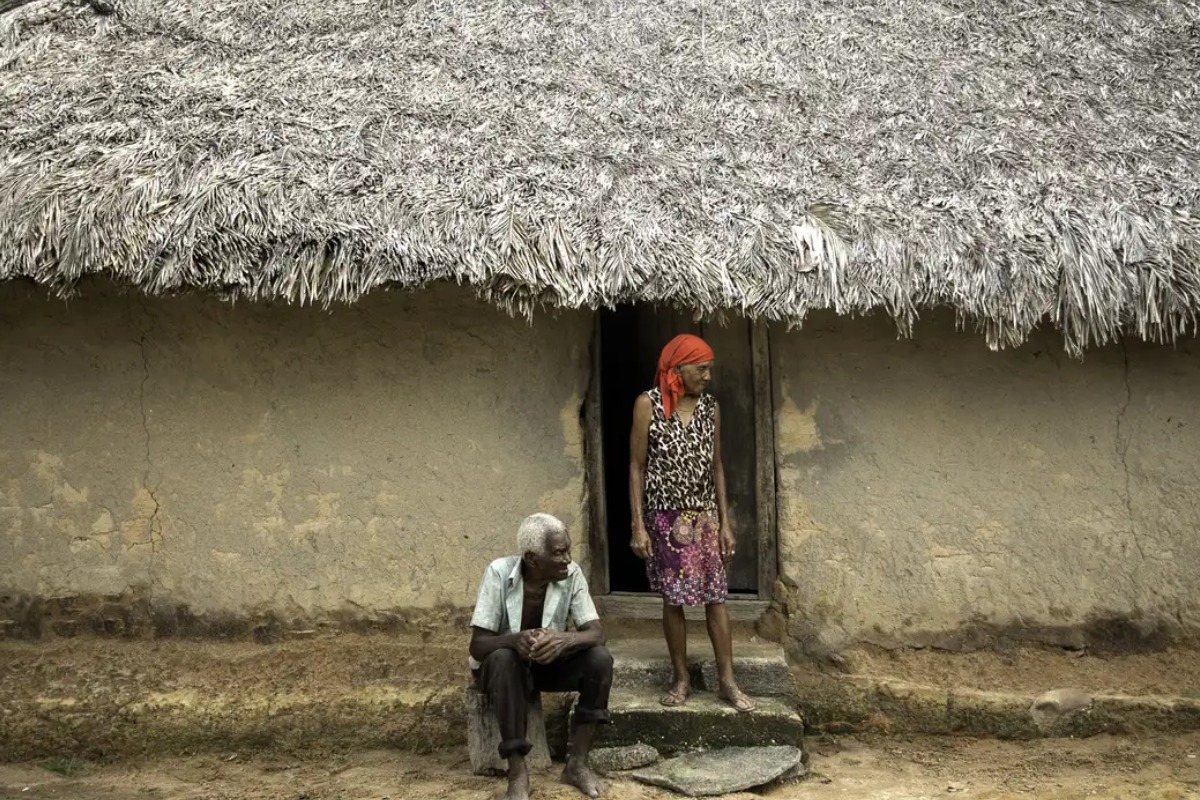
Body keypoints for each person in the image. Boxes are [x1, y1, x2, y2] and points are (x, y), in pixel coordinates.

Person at [628, 333, 758, 713]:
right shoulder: (646, 405)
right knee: (674, 600)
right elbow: (636, 467)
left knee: (716, 598)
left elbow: (717, 465)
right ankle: (681, 679)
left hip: (703, 518)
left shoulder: (710, 407)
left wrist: (725, 522)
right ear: (678, 368)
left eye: (709, 368)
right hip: (664, 518)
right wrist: (638, 524)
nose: (708, 375)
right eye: (701, 368)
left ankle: (727, 682)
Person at [469, 513, 612, 800]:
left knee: (599, 659)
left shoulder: (571, 575)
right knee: (503, 659)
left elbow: (596, 633)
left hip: (547, 666)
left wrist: (565, 639)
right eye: (559, 553)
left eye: (568, 550)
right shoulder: (499, 572)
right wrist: (514, 640)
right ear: (533, 559)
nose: (567, 559)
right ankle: (518, 773)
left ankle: (577, 764)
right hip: (503, 671)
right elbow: (478, 645)